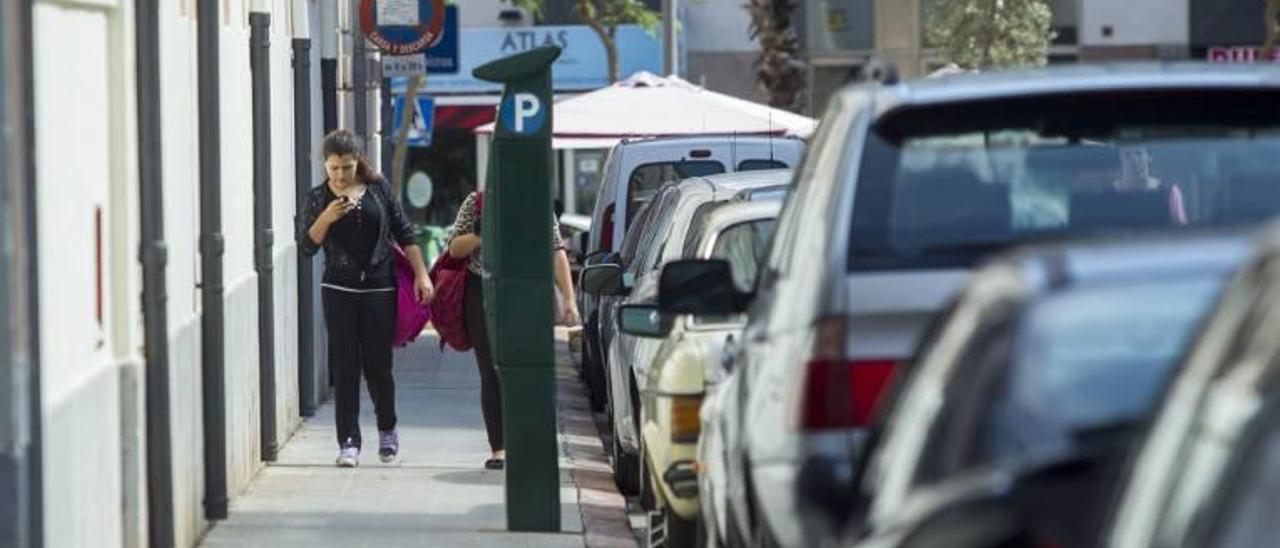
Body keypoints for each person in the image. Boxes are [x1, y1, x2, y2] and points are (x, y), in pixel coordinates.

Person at [298, 129, 434, 468]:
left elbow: (405, 232)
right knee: (345, 367)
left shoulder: (378, 190)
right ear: (325, 166)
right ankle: (348, 442)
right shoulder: (317, 198)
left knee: (378, 367)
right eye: (333, 168)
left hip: (379, 289)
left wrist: (421, 274)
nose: (340, 175)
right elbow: (306, 246)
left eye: (346, 167)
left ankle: (387, 430)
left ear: (357, 162)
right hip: (339, 291)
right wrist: (326, 218)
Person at [448, 191, 580, 470]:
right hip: (481, 291)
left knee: (525, 369)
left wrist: (569, 299)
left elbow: (556, 251)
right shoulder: (476, 202)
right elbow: (455, 248)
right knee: (491, 370)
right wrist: (483, 235)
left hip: (525, 291)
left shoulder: (537, 200)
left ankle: (527, 443)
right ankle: (500, 448)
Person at [1114, 144, 1187, 224]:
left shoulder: (1170, 192)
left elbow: (1180, 229)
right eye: (1127, 155)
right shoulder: (1109, 195)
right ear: (1121, 160)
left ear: (1149, 157)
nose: (1134, 159)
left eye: (1139, 153)